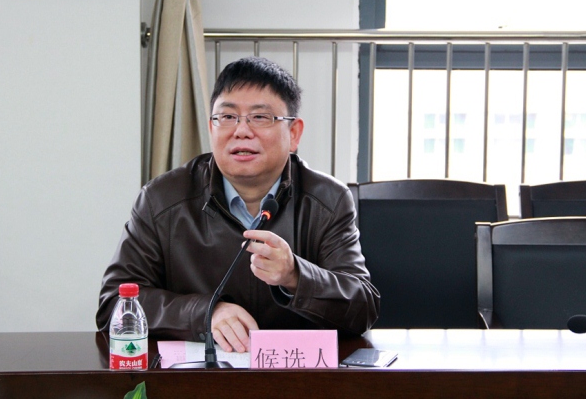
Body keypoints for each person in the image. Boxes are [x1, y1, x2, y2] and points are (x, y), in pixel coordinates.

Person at [96, 56, 380, 353]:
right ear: (211, 128)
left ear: (294, 133)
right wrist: (206, 313)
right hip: (199, 374)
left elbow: (362, 309)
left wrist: (296, 275)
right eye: (228, 117)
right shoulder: (162, 199)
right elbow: (115, 305)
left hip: (296, 374)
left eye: (260, 117)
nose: (241, 131)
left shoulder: (328, 200)